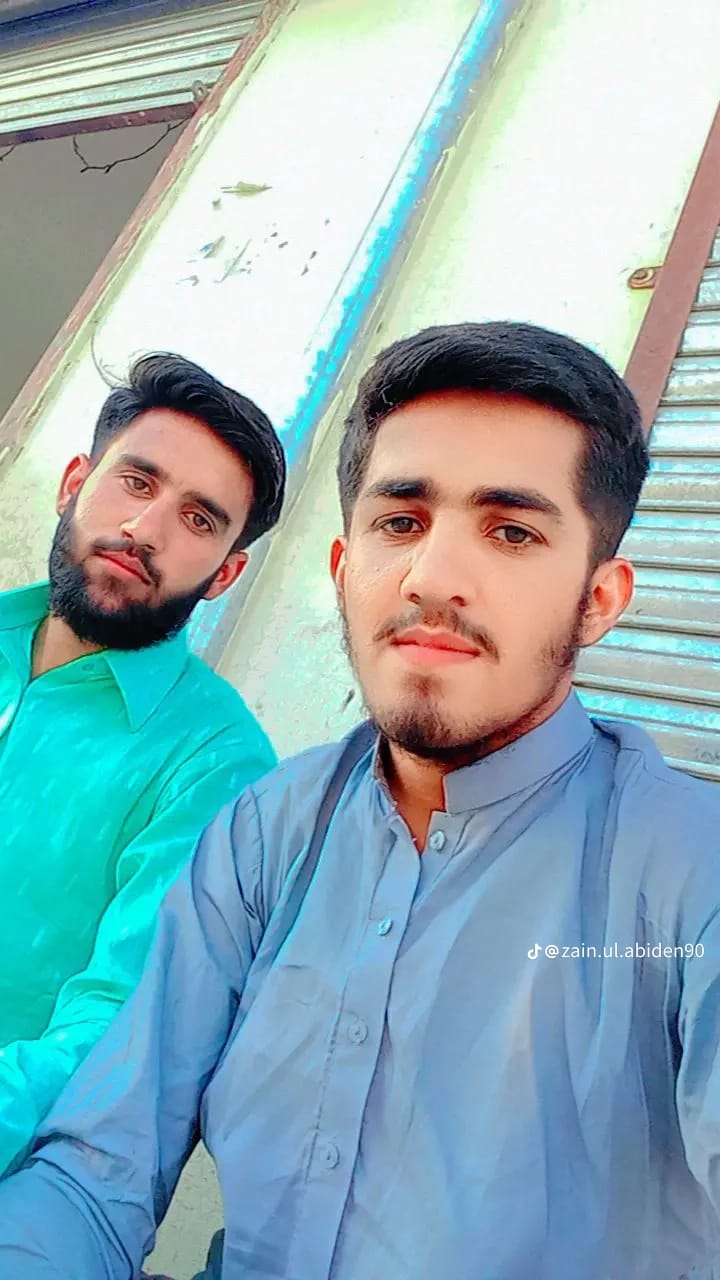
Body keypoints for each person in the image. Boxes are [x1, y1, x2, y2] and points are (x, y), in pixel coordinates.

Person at [0, 320, 718, 1280]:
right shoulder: (266, 836)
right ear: (344, 572)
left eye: (511, 531)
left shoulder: (686, 877)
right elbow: (99, 1170)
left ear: (600, 599)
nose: (432, 578)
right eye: (400, 523)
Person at [0, 352, 285, 1178]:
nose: (146, 529)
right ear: (75, 483)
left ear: (226, 573)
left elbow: (113, 1027)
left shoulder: (219, 766)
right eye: (136, 482)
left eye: (198, 519)